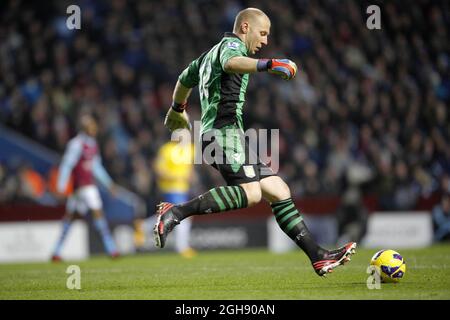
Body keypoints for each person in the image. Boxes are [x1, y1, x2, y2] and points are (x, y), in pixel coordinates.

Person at [154, 8, 356, 276]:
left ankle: (318, 256)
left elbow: (183, 79)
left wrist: (178, 107)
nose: (265, 41)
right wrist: (269, 64)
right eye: (263, 33)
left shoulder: (206, 56)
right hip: (222, 133)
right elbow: (230, 63)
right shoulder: (230, 46)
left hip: (226, 134)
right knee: (251, 194)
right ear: (245, 27)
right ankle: (175, 212)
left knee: (278, 189)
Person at [51, 114, 119, 261]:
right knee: (82, 216)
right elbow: (66, 165)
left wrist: (109, 184)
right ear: (84, 127)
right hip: (80, 188)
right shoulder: (76, 144)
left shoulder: (92, 144)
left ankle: (57, 251)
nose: (94, 128)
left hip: (87, 187)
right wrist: (61, 186)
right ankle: (111, 249)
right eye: (91, 125)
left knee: (82, 216)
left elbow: (96, 167)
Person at [154, 128, 197, 258]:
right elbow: (158, 170)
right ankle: (182, 247)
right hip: (171, 188)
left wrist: (190, 176)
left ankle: (143, 226)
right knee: (183, 216)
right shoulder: (167, 150)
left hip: (183, 188)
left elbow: (190, 168)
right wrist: (176, 177)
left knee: (172, 215)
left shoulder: (190, 149)